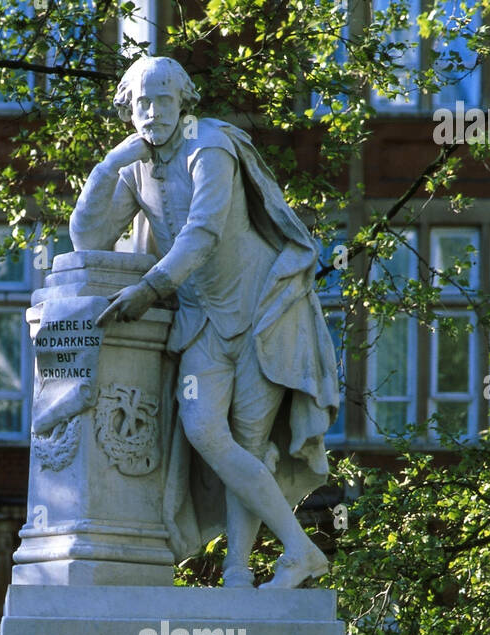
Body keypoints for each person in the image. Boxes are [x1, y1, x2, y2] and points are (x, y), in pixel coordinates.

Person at [70, 55, 340, 589]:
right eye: (141, 104)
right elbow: (88, 239)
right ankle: (301, 550)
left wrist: (150, 289)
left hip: (262, 310)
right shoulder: (135, 163)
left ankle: (239, 573)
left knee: (248, 438)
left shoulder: (210, 144)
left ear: (183, 102)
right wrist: (106, 167)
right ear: (130, 111)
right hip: (201, 320)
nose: (152, 113)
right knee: (204, 430)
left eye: (162, 101)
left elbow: (203, 232)